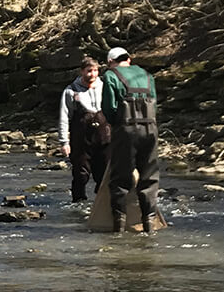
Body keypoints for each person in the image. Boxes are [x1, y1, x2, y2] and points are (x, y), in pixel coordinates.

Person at [102, 47, 160, 234]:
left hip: (126, 129)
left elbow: (109, 107)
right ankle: (149, 226)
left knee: (120, 179)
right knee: (149, 178)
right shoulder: (147, 75)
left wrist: (116, 126)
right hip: (151, 129)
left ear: (111, 61)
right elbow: (155, 104)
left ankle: (118, 228)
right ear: (129, 59)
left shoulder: (111, 76)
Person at [59, 56, 110, 203]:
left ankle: (103, 204)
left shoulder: (105, 87)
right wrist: (64, 142)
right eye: (89, 71)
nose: (93, 74)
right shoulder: (70, 91)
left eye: (95, 71)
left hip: (104, 137)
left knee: (105, 174)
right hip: (81, 139)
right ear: (81, 72)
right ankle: (78, 203)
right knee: (81, 174)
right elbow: (64, 117)